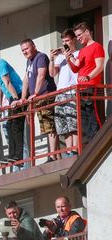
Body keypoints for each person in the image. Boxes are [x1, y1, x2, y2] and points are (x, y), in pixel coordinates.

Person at [66, 21, 105, 143]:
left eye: (79, 35)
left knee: (94, 117)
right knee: (83, 119)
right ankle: (91, 144)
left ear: (87, 32)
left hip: (92, 87)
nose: (78, 38)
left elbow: (99, 67)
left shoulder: (96, 46)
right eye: (76, 36)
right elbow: (76, 68)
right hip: (81, 89)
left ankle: (99, 144)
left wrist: (88, 77)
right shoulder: (82, 50)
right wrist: (69, 57)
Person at [19, 39, 58, 159]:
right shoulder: (29, 61)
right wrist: (23, 98)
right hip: (37, 98)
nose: (25, 52)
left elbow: (41, 74)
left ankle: (53, 156)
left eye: (26, 48)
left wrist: (35, 93)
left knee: (49, 125)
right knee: (44, 126)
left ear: (34, 47)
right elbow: (26, 79)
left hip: (45, 95)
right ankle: (54, 155)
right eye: (23, 50)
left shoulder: (41, 57)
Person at [49, 29, 80, 158]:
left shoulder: (78, 53)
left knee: (73, 123)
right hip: (60, 92)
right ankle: (69, 150)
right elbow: (52, 74)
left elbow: (77, 66)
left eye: (67, 40)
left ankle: (75, 149)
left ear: (74, 40)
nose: (65, 43)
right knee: (63, 125)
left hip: (72, 91)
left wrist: (68, 55)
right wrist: (52, 59)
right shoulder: (60, 57)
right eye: (63, 41)